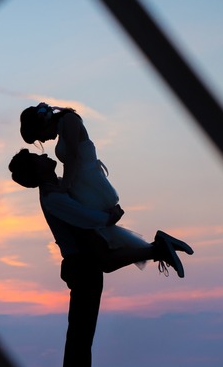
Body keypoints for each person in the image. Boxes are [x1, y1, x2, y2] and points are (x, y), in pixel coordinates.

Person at [8, 149, 193, 367]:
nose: (43, 156)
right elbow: (85, 218)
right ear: (36, 171)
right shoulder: (53, 197)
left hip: (84, 260)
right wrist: (109, 217)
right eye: (37, 158)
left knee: (85, 325)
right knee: (81, 326)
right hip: (79, 262)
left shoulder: (60, 187)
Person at [20, 102, 152, 263]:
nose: (43, 139)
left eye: (38, 136)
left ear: (42, 123)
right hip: (80, 184)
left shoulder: (69, 120)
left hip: (89, 185)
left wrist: (65, 185)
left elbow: (73, 156)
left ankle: (157, 250)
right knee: (104, 249)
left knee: (104, 253)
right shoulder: (63, 128)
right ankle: (156, 250)